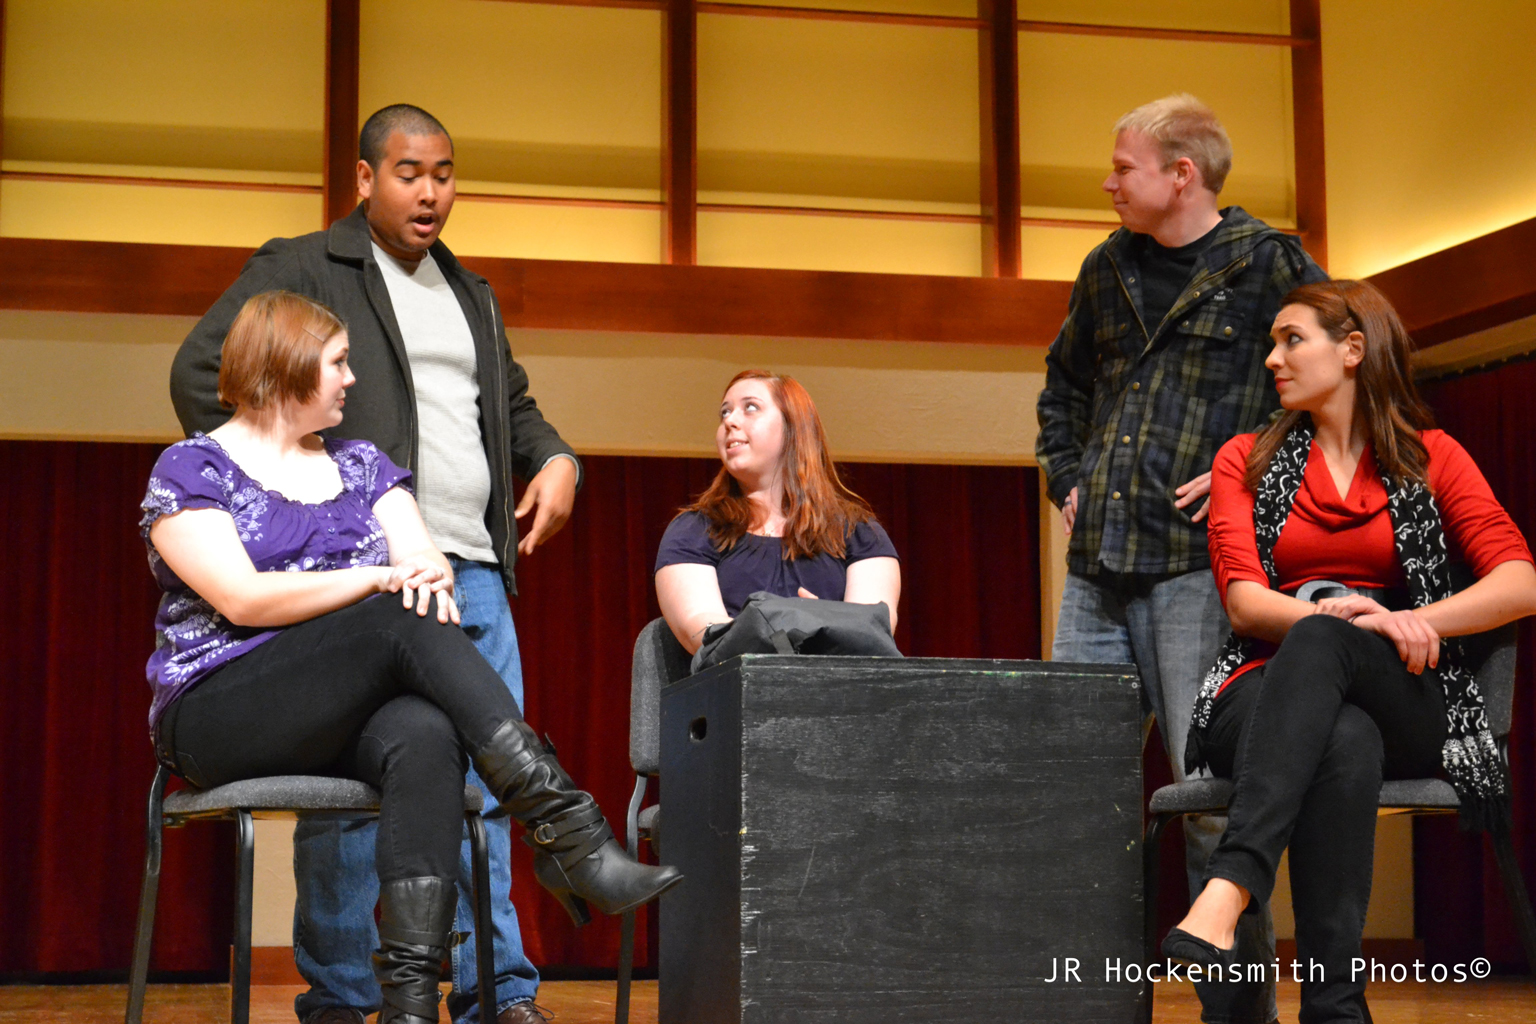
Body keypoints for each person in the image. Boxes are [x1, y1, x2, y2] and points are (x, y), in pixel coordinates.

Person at [144, 291, 681, 1024]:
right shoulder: (191, 468)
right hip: (220, 711)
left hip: (336, 711)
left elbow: (427, 570)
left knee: (423, 735)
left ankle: (408, 1009)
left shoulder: (364, 468)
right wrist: (373, 577)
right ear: (287, 366)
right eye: (338, 362)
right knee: (395, 612)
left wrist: (409, 575)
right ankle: (568, 833)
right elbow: (241, 600)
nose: (351, 379)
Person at [169, 105, 576, 1024]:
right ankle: (346, 1001)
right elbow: (206, 373)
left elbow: (507, 403)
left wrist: (556, 457)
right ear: (363, 179)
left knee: (480, 783)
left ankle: (497, 993)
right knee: (357, 793)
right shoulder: (305, 265)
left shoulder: (470, 290)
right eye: (407, 172)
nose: (429, 190)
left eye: (444, 172)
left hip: (466, 565)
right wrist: (306, 480)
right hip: (351, 576)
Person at [1163, 280, 1536, 1022]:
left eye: (1291, 339)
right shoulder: (1246, 459)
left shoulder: (1433, 458)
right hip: (1258, 694)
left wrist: (1407, 619)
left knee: (1337, 656)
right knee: (1342, 732)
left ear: (1353, 349)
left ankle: (1229, 886)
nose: (1273, 359)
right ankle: (1337, 1007)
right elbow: (1243, 601)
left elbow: (1520, 581)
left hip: (1406, 687)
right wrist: (1346, 618)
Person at [1035, 93, 1327, 1022]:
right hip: (1097, 571)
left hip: (1201, 569)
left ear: (1181, 174)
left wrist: (1255, 467)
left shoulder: (1270, 264)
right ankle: (1092, 1008)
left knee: (1211, 801)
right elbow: (1063, 387)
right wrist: (1066, 474)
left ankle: (1236, 1017)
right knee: (1079, 804)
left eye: (1123, 167)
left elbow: (1331, 382)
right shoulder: (1106, 266)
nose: (1109, 182)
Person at [654, 370, 901, 654]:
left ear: (793, 426)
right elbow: (702, 632)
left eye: (750, 407)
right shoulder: (694, 530)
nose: (730, 421)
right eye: (725, 412)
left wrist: (791, 623)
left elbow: (870, 636)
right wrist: (805, 624)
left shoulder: (859, 532)